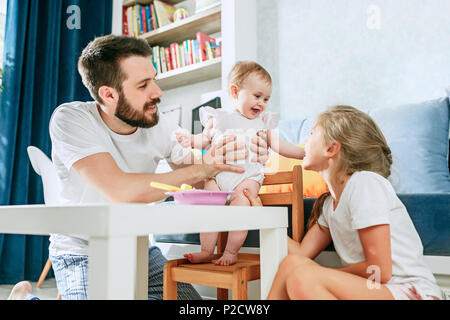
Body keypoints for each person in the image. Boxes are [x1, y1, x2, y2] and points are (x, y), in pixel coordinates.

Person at [11, 35, 269, 300]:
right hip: (82, 253)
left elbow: (200, 179)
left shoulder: (160, 123)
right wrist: (203, 169)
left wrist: (246, 166)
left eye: (154, 79)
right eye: (144, 85)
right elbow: (121, 190)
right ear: (108, 94)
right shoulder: (71, 119)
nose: (158, 92)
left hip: (139, 250)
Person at [264, 105, 443, 300]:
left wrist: (320, 275)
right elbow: (301, 253)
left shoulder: (364, 183)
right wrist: (259, 215)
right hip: (375, 289)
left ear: (331, 148)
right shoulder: (328, 206)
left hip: (408, 291)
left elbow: (380, 270)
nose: (305, 142)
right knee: (292, 264)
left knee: (302, 276)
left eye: (312, 134)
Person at [175, 61, 305, 266]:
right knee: (209, 209)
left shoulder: (263, 123)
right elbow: (204, 139)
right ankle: (207, 250)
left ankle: (231, 251)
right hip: (218, 176)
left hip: (247, 177)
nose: (261, 103)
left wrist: (303, 153)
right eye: (257, 96)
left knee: (242, 205)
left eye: (266, 99)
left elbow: (281, 145)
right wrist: (189, 140)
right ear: (235, 91)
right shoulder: (218, 117)